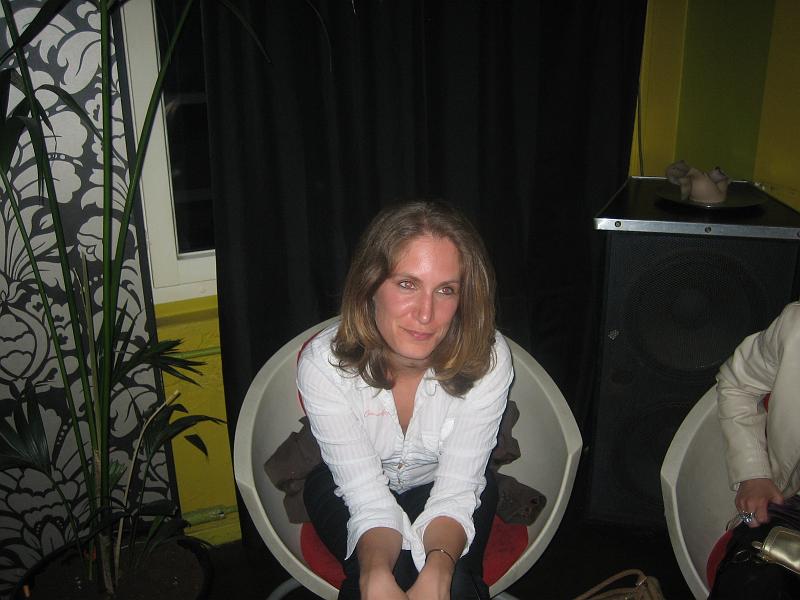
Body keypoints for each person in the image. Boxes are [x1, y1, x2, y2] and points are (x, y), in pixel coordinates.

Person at [298, 200, 513, 600]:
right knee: (375, 582)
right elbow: (365, 496)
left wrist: (439, 569)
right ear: (370, 285)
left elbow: (457, 490)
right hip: (342, 487)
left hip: (443, 482)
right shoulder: (323, 365)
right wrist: (374, 574)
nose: (426, 314)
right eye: (407, 284)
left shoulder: (489, 359)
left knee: (455, 583)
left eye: (446, 290)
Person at [711, 300, 800, 598]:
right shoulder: (796, 326)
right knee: (751, 583)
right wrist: (753, 472)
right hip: (791, 505)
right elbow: (737, 384)